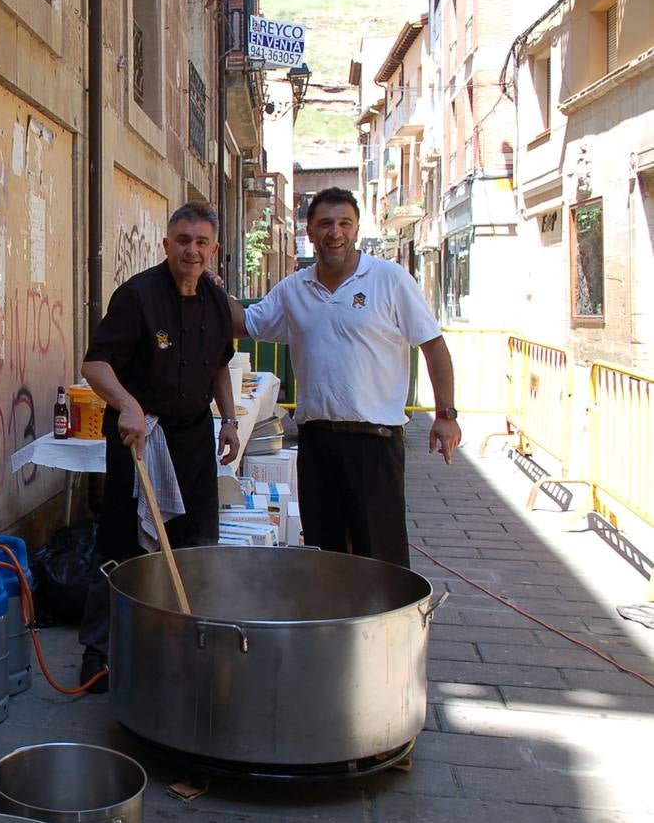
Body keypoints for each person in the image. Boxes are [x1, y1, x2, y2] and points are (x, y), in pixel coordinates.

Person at [221, 186, 462, 568]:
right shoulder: (293, 290)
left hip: (375, 445)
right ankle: (332, 628)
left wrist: (446, 416)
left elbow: (433, 346)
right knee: (326, 558)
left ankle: (384, 628)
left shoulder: (389, 279)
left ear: (356, 229)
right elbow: (244, 323)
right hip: (317, 445)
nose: (335, 232)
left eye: (344, 223)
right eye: (325, 224)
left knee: (381, 562)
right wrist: (208, 285)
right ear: (310, 232)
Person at [77, 201, 241, 692]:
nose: (191, 250)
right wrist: (126, 404)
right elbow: (95, 365)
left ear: (213, 250)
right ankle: (99, 655)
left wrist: (229, 420)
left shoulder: (215, 300)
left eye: (201, 242)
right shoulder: (138, 296)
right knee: (121, 545)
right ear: (166, 244)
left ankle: (186, 641)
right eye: (183, 240)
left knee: (197, 542)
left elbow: (218, 366)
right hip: (139, 437)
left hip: (193, 437)